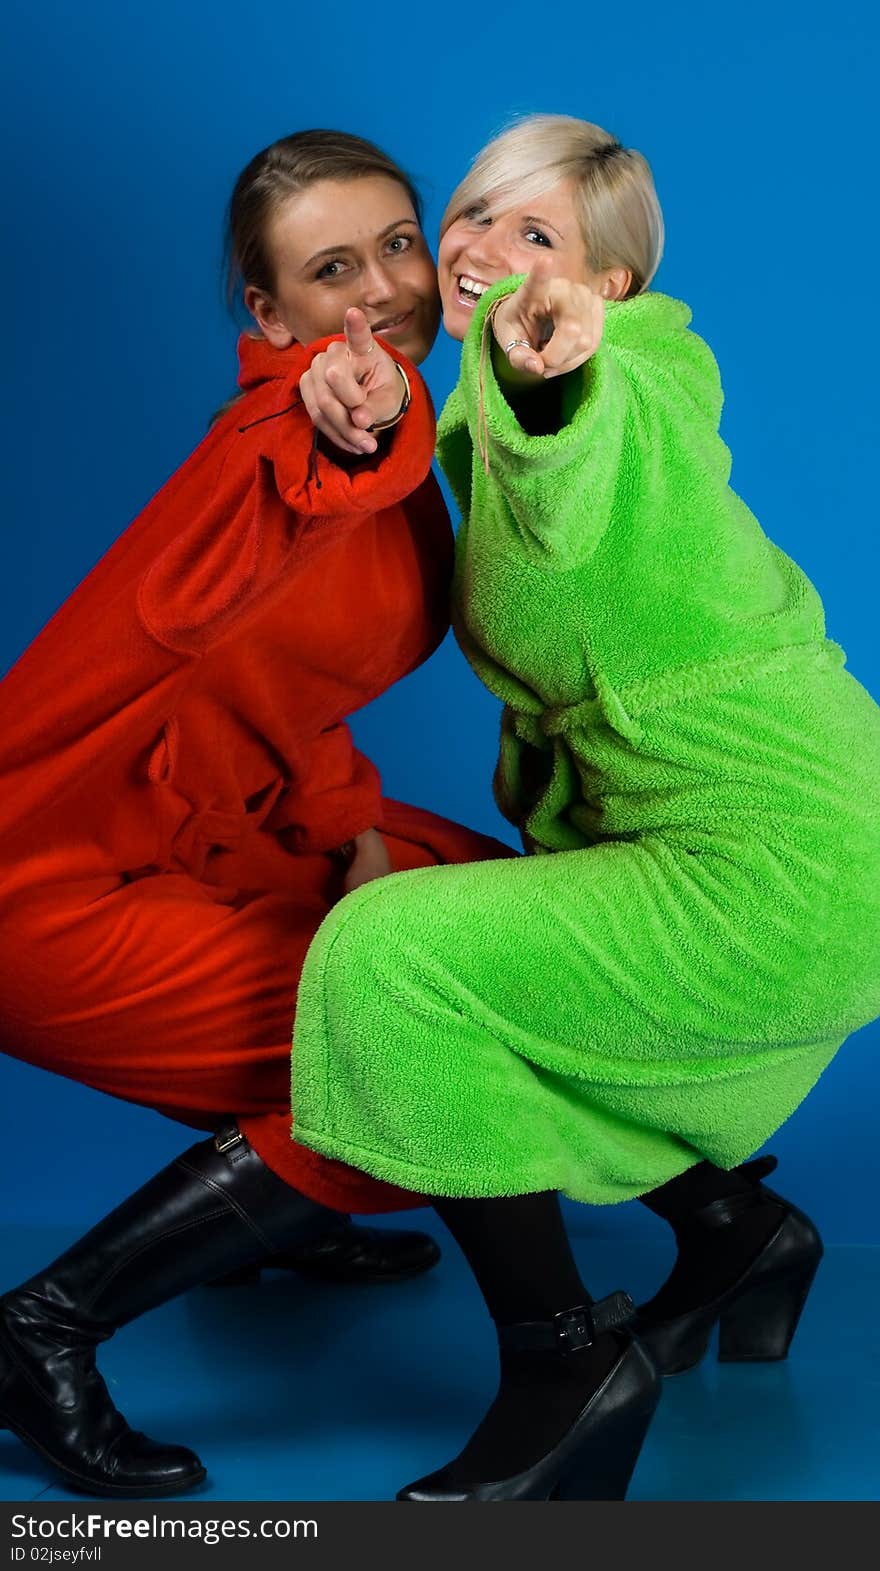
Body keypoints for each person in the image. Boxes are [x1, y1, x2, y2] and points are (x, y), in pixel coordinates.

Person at [291, 114, 880, 1500]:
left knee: (391, 959)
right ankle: (736, 1234)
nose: (487, 252)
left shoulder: (624, 368)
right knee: (473, 951)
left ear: (608, 287)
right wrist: (355, 403)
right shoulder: (460, 404)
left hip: (784, 863)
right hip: (792, 838)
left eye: (539, 236)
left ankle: (568, 1366)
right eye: (477, 215)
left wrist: (551, 374)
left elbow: (585, 439)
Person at [0, 129, 508, 1497]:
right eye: (330, 273)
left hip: (196, 817)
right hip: (41, 887)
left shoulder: (410, 418)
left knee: (481, 890)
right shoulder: (292, 432)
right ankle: (40, 1332)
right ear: (270, 319)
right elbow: (326, 458)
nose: (384, 293)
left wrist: (355, 837)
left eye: (398, 244)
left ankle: (275, 1225)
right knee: (425, 1021)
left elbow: (280, 685)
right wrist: (358, 409)